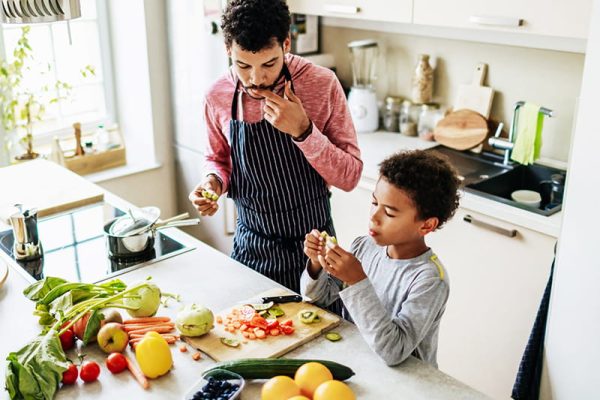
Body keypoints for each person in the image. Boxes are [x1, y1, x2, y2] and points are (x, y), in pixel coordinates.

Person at [188, 0, 362, 298]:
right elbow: (217, 159)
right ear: (228, 49)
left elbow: (350, 177)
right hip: (251, 249)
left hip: (316, 253)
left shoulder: (321, 84)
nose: (256, 79)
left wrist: (304, 131)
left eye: (269, 64)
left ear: (286, 44)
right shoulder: (217, 95)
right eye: (243, 65)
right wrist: (212, 182)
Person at [300, 150, 461, 367]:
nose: (373, 217)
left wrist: (357, 281)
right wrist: (316, 264)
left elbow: (394, 351)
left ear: (426, 225)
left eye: (390, 213)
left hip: (409, 384)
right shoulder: (364, 247)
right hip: (359, 364)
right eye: (375, 203)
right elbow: (318, 300)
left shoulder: (429, 280)